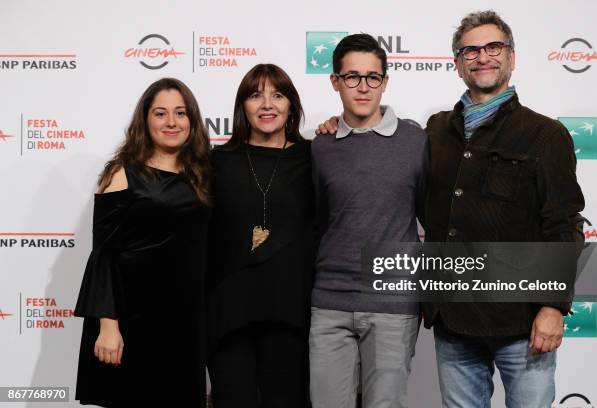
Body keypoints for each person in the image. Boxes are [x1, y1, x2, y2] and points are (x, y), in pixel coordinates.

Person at [423, 11, 584, 408]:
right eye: (470, 50)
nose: (483, 57)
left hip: (521, 322)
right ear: (458, 63)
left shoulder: (545, 134)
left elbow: (564, 226)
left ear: (511, 57)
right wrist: (339, 127)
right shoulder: (436, 131)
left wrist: (553, 306)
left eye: (493, 47)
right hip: (454, 319)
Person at [74, 78, 211, 407]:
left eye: (180, 113)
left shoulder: (204, 175)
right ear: (145, 120)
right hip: (132, 321)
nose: (172, 122)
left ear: (192, 119)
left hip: (185, 324)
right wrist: (108, 326)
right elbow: (103, 255)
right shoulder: (122, 174)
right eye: (161, 113)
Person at [309, 34, 428, 408]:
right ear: (335, 81)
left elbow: (434, 214)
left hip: (393, 302)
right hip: (329, 301)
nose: (363, 87)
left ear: (385, 82)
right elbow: (314, 220)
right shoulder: (320, 145)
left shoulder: (417, 140)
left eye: (373, 77)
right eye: (352, 77)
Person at [206, 63, 314, 408]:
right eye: (255, 95)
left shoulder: (314, 156)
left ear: (291, 105)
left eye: (277, 94)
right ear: (242, 106)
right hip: (228, 315)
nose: (267, 104)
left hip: (290, 314)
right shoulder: (216, 161)